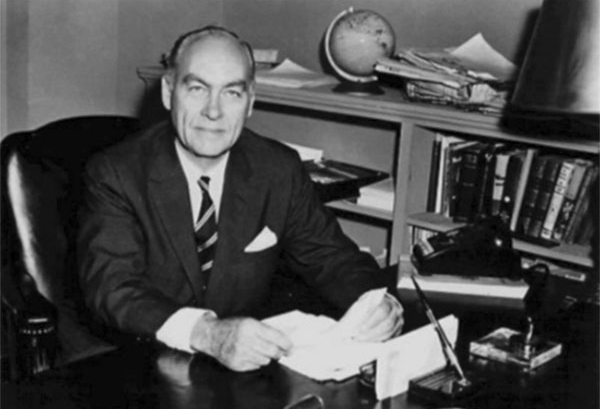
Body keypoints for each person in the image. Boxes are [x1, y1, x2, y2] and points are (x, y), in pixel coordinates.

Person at [78, 26, 403, 372]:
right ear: (169, 92)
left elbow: (332, 256)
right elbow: (113, 287)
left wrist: (378, 302)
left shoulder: (278, 169)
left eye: (232, 93)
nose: (213, 111)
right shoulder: (116, 173)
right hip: (141, 363)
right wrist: (207, 333)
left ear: (250, 102)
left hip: (238, 370)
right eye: (197, 89)